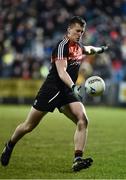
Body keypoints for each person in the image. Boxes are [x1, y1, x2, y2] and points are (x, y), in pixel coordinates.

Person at [1, 16, 108, 172]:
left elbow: (89, 49)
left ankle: (77, 159)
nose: (80, 34)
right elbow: (61, 71)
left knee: (83, 120)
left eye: (82, 32)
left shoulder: (78, 46)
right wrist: (74, 86)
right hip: (51, 90)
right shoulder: (61, 46)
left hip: (67, 92)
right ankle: (9, 145)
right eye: (77, 31)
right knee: (28, 126)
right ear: (69, 29)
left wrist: (101, 49)